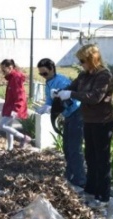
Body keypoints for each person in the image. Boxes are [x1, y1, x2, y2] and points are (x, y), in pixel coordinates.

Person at [52, 44, 113, 208]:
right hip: (89, 121)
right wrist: (59, 92)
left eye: (83, 61)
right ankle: (91, 190)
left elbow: (95, 97)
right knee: (90, 157)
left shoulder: (104, 75)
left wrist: (71, 94)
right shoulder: (84, 75)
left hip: (103, 122)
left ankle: (103, 196)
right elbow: (70, 88)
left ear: (92, 59)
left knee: (101, 159)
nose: (81, 64)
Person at [36, 58, 86, 188]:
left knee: (74, 148)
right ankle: (71, 174)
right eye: (40, 74)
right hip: (68, 116)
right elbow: (49, 100)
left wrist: (55, 106)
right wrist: (46, 107)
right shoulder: (49, 83)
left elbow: (67, 101)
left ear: (52, 69)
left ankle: (80, 179)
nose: (43, 76)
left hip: (76, 113)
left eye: (45, 73)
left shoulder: (61, 81)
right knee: (67, 147)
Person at [0, 59, 31, 150]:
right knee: (8, 127)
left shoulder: (15, 78)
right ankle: (10, 148)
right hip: (10, 107)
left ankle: (23, 137)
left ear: (10, 67)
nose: (2, 72)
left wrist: (16, 109)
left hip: (14, 107)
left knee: (2, 125)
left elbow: (20, 94)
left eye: (3, 69)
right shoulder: (12, 78)